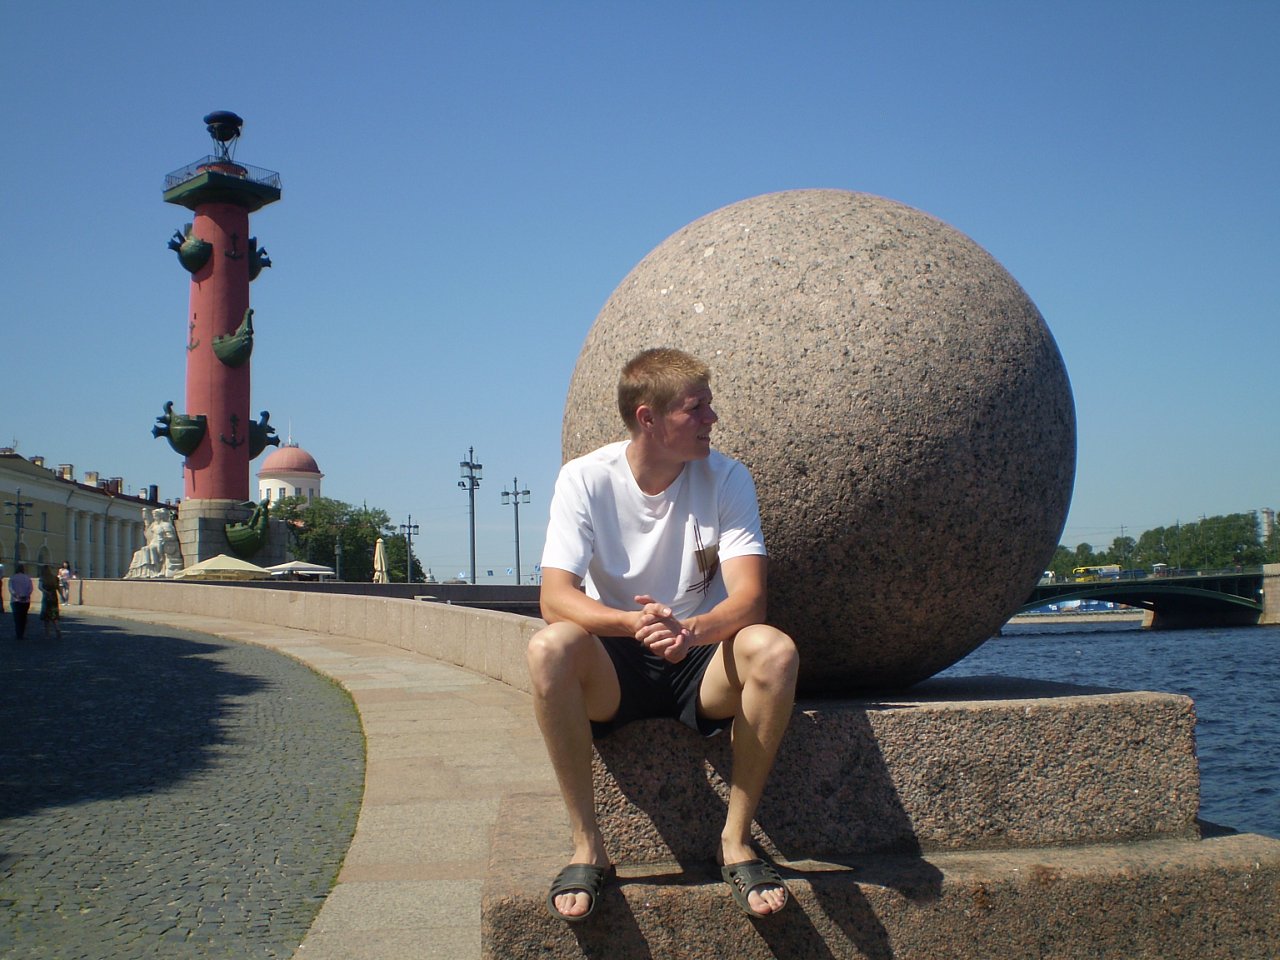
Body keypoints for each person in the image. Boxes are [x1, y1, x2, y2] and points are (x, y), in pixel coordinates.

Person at [528, 347, 799, 923]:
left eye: (709, 406)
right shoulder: (585, 478)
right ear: (647, 417)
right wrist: (631, 623)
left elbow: (750, 598)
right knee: (548, 648)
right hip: (614, 663)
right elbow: (555, 599)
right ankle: (587, 846)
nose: (711, 419)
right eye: (696, 409)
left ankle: (736, 841)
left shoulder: (727, 477)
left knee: (774, 651)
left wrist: (691, 630)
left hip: (699, 657)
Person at [9, 564, 34, 639]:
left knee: (17, 618)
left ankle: (18, 633)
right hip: (25, 600)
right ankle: (22, 633)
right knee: (24, 617)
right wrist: (26, 595)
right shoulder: (27, 578)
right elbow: (31, 589)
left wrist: (16, 595)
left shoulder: (12, 578)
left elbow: (11, 589)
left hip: (15, 600)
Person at [39, 565, 63, 640]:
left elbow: (40, 587)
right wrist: (62, 596)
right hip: (54, 598)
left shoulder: (42, 578)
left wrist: (46, 592)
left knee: (46, 618)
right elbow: (59, 588)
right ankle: (57, 629)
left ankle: (47, 634)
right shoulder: (55, 578)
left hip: (46, 598)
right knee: (54, 616)